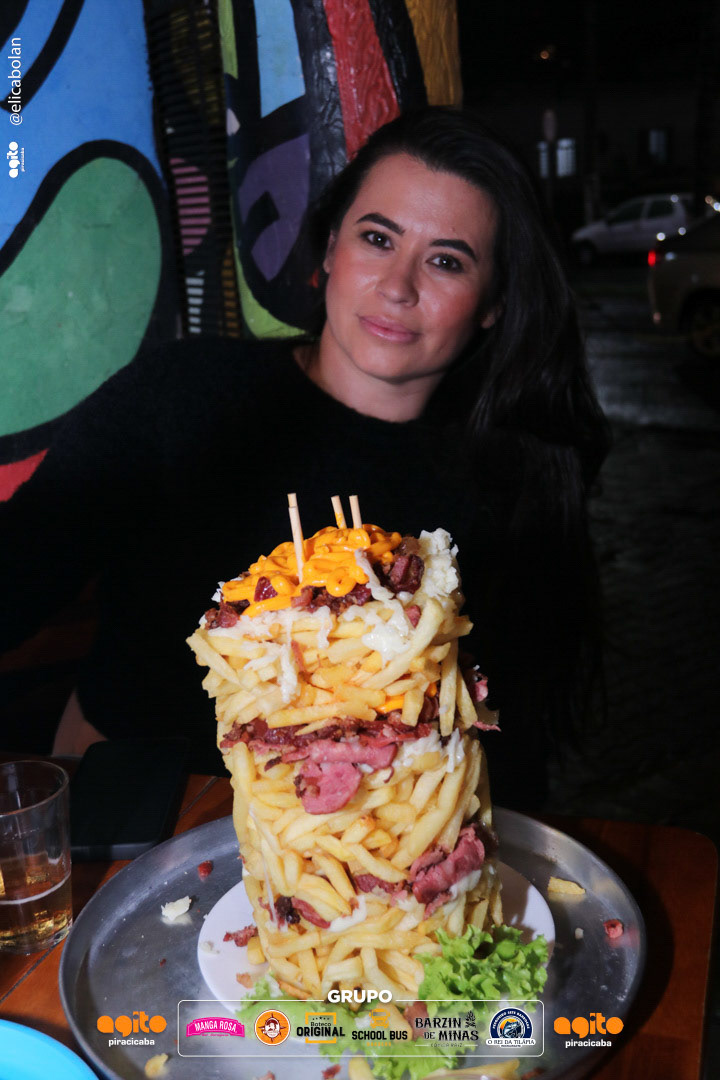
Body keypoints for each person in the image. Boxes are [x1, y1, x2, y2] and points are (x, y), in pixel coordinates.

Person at [0, 107, 609, 807]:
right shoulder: (185, 395)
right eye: (377, 238)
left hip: (372, 845)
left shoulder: (514, 481)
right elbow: (20, 567)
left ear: (493, 303)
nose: (398, 286)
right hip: (136, 813)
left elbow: (511, 736)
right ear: (328, 249)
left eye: (446, 260)